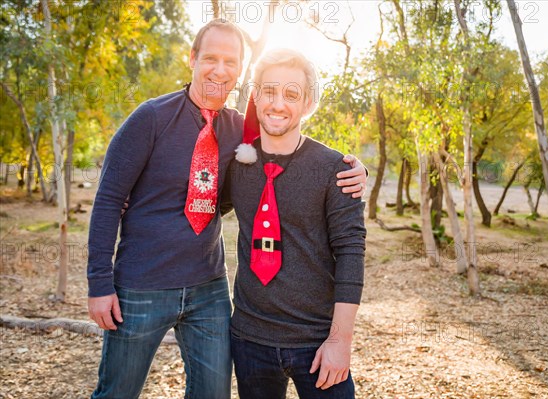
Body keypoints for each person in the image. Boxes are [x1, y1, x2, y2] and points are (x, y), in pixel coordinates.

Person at [86, 19, 367, 399]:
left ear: (240, 72)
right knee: (117, 392)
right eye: (211, 58)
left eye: (231, 61)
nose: (220, 70)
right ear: (192, 59)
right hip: (141, 286)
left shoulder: (239, 131)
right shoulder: (150, 118)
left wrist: (354, 168)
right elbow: (107, 201)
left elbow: (289, 141)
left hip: (209, 290)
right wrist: (100, 283)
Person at [224, 48, 366, 399]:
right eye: (269, 92)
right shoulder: (237, 164)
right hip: (249, 339)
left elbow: (351, 252)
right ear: (255, 96)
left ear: (307, 103)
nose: (277, 104)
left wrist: (339, 341)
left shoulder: (337, 170)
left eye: (291, 94)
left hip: (316, 343)